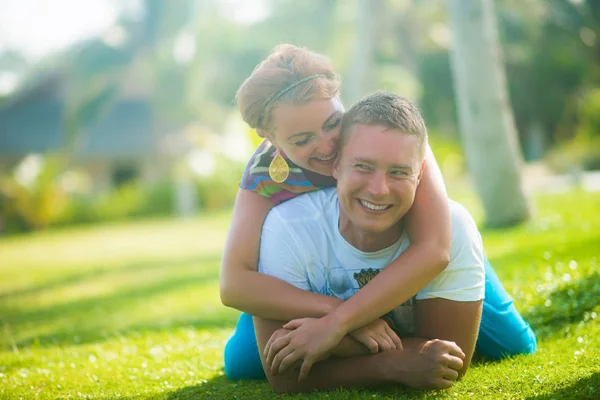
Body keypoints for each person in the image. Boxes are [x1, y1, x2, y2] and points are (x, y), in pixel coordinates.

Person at [220, 44, 536, 381]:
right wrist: (339, 313)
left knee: (513, 344)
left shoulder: (385, 134)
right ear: (268, 137)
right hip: (311, 278)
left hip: (421, 251)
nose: (328, 145)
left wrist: (340, 324)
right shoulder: (265, 173)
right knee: (244, 363)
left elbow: (434, 248)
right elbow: (235, 285)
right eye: (302, 139)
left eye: (332, 123)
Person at [255, 92, 485, 392]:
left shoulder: (452, 227)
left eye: (399, 172)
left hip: (444, 260)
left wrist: (332, 339)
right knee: (244, 360)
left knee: (513, 340)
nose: (378, 190)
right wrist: (392, 363)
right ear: (335, 165)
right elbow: (283, 375)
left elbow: (445, 361)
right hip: (311, 304)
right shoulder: (287, 226)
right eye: (363, 166)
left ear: (420, 175)